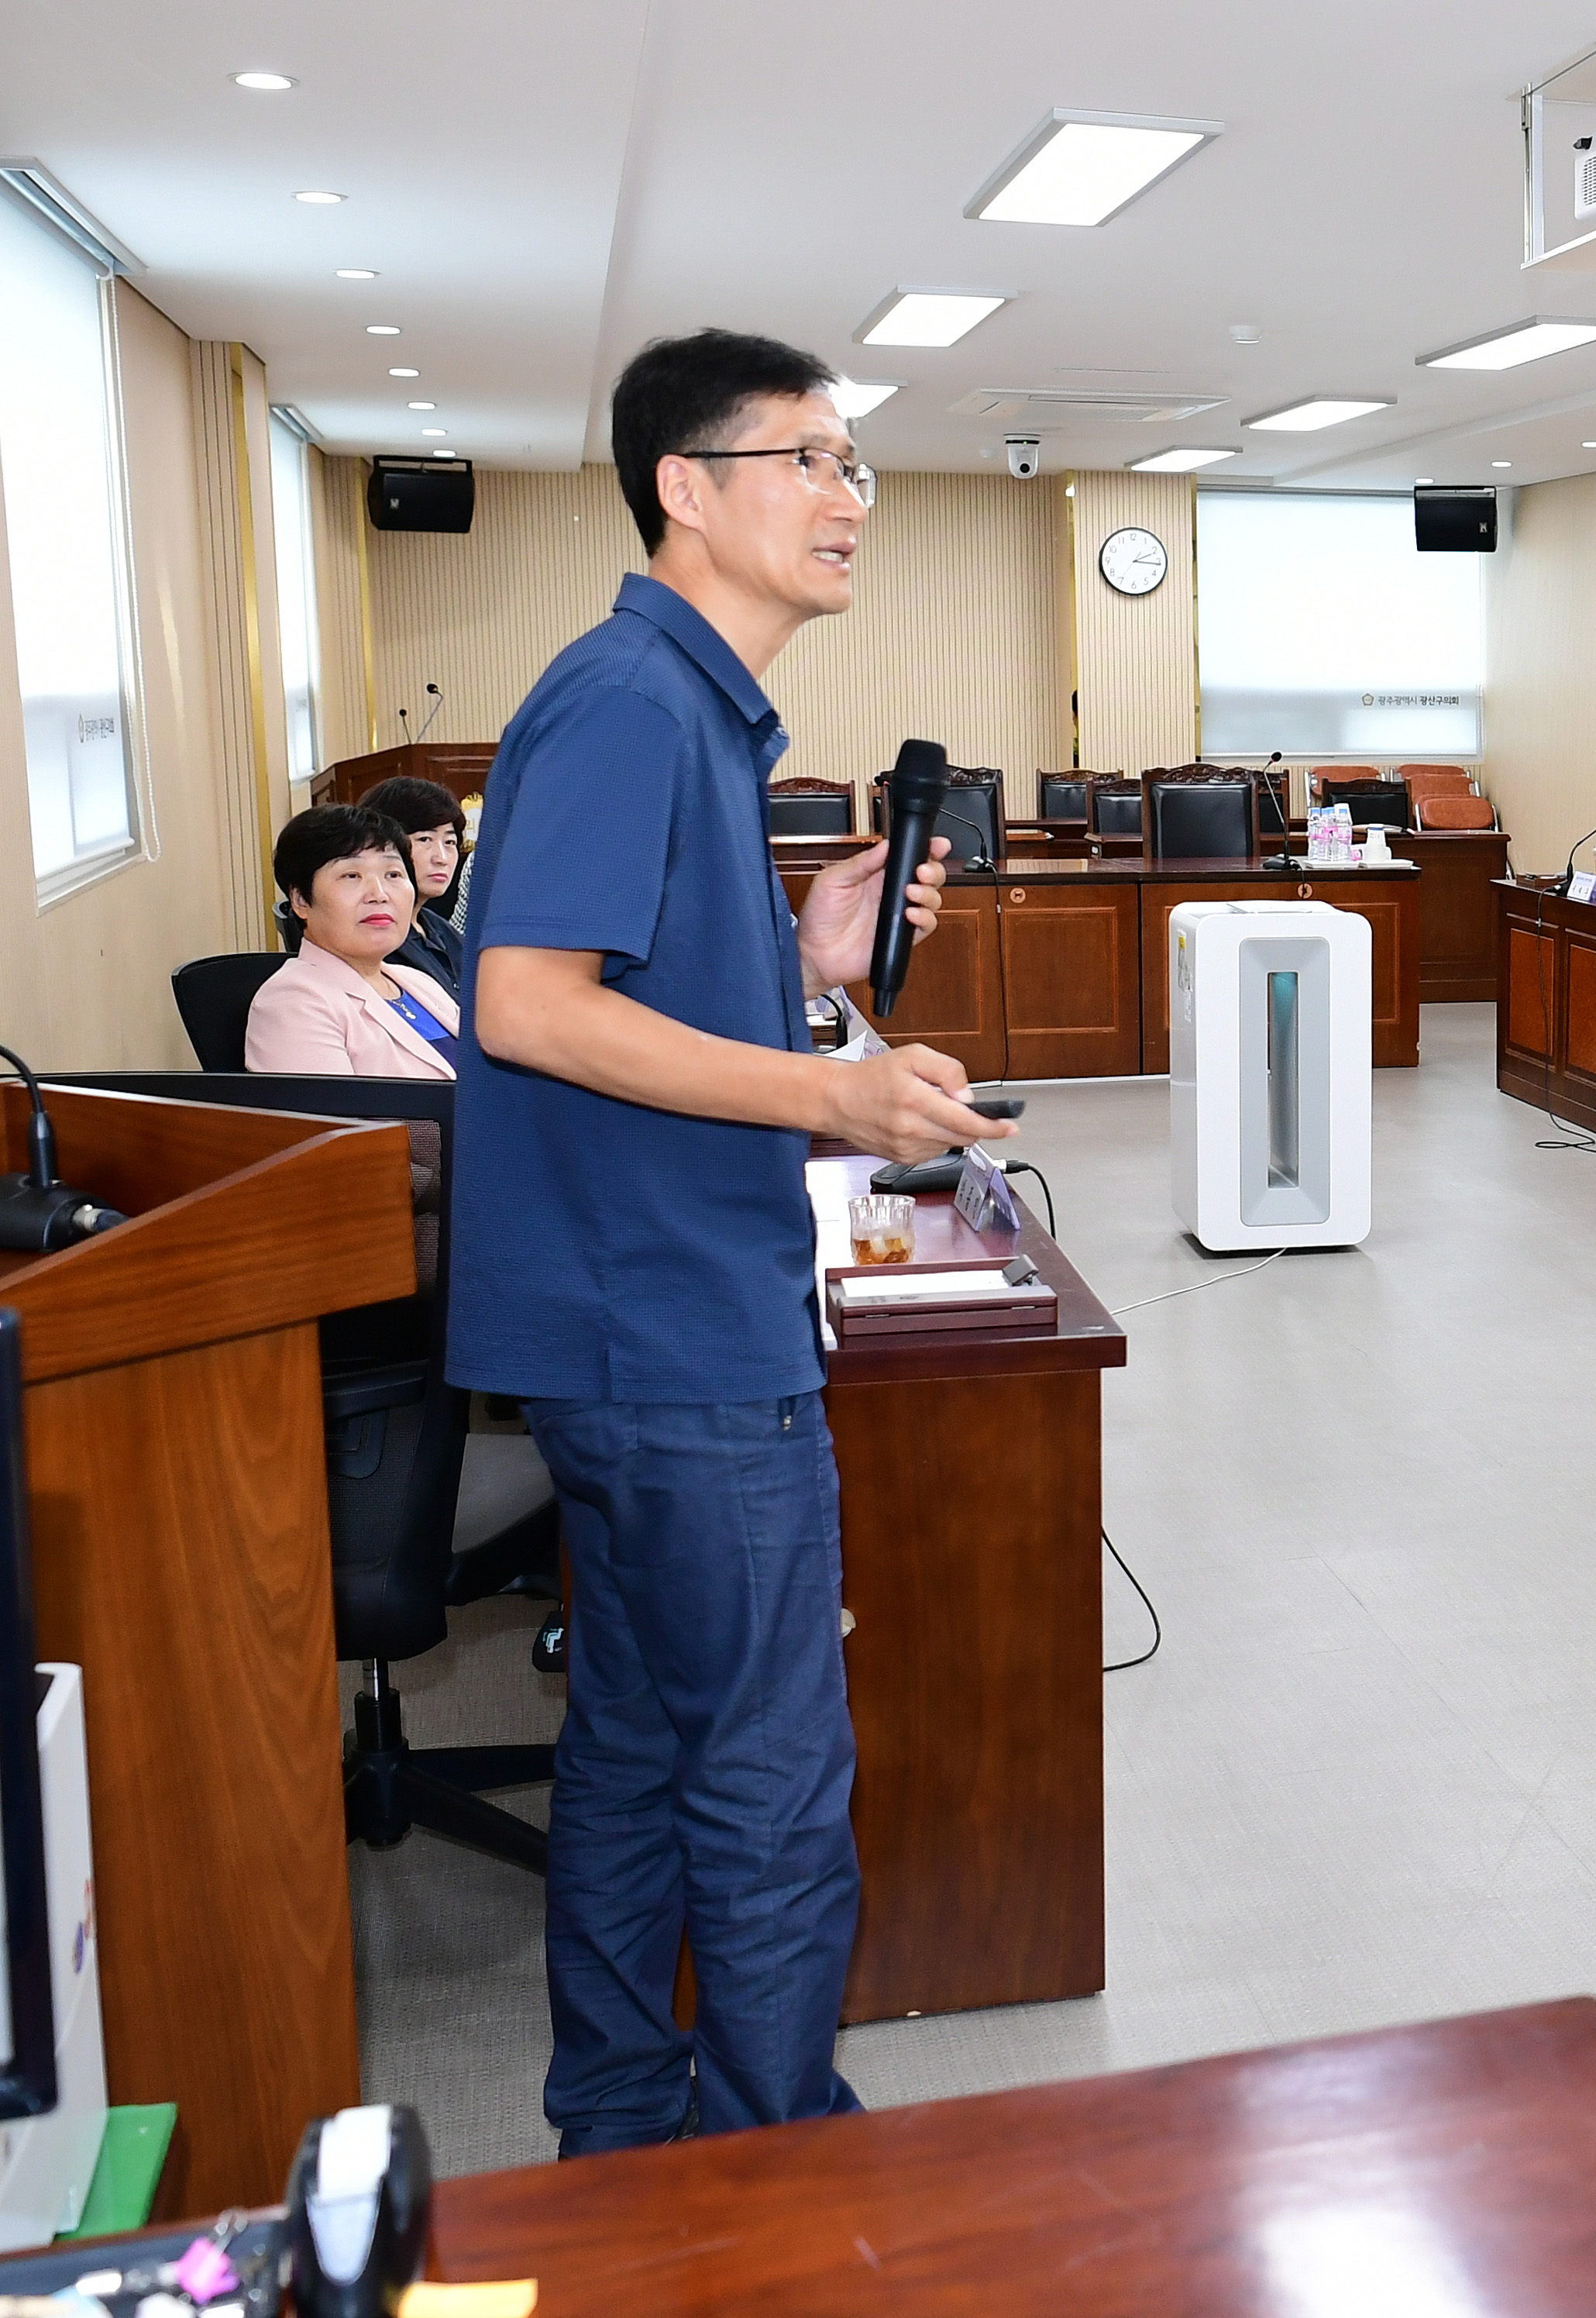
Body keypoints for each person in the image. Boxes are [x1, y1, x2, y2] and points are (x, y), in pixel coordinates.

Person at [449, 328, 1010, 2155]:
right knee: (768, 1781)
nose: (850, 497)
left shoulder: (683, 706)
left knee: (631, 1752)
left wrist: (808, 961)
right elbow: (529, 1006)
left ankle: (621, 2135)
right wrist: (831, 1096)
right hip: (674, 1333)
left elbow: (637, 982)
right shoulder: (630, 695)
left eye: (860, 466)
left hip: (628, 1330)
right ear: (687, 489)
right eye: (810, 460)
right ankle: (778, 2175)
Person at [246, 803, 459, 1077]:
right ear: (301, 900)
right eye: (351, 876)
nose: (379, 894)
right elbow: (334, 1120)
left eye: (393, 875)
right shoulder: (292, 1003)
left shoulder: (418, 982)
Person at [363, 773, 470, 1001]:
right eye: (425, 840)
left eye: (450, 842)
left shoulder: (441, 929)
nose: (442, 857)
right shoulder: (374, 939)